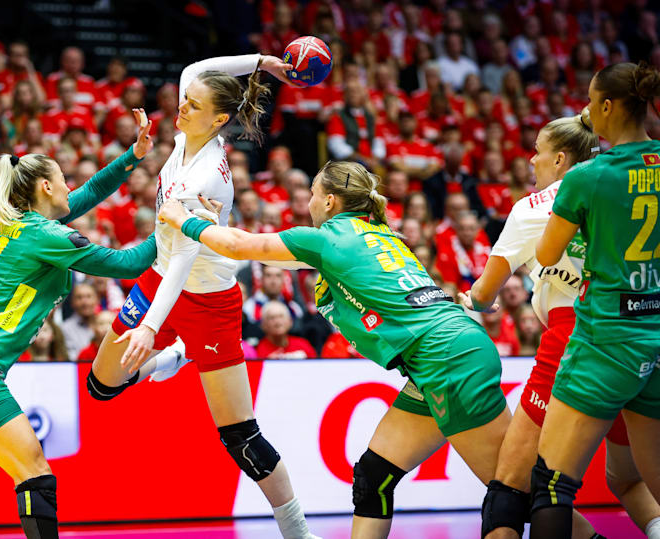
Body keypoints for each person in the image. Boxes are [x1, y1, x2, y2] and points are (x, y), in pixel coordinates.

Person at [159, 160, 511, 539]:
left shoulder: (327, 239)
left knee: (511, 494)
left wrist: (183, 219)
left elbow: (243, 247)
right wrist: (216, 226)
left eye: (311, 193)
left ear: (329, 201)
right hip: (445, 354)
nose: (307, 202)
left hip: (446, 359)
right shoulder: (376, 233)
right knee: (373, 477)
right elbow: (255, 251)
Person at [87, 53, 319, 539]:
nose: (181, 108)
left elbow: (185, 260)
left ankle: (297, 531)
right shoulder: (186, 133)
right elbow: (193, 67)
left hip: (209, 301)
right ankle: (173, 356)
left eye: (192, 106)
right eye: (184, 102)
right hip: (157, 281)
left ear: (218, 120)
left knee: (241, 439)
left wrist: (150, 325)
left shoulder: (206, 175)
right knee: (101, 386)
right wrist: (264, 62)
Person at [0, 111, 156, 539]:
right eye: (62, 180)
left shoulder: (17, 224)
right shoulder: (47, 236)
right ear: (46, 187)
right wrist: (177, 225)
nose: (69, 188)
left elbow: (91, 190)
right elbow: (128, 263)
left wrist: (134, 156)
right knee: (36, 474)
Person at [460, 111, 660, 538]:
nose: (531, 160)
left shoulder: (533, 208)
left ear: (560, 159)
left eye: (537, 152)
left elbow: (484, 292)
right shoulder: (620, 189)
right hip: (638, 333)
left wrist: (475, 301)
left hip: (576, 338)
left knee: (513, 491)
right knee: (626, 480)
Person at [529, 62, 660, 538]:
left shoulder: (589, 175)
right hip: (657, 335)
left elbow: (546, 253)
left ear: (607, 106)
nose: (585, 110)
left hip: (606, 338)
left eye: (588, 99)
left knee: (551, 483)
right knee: (647, 481)